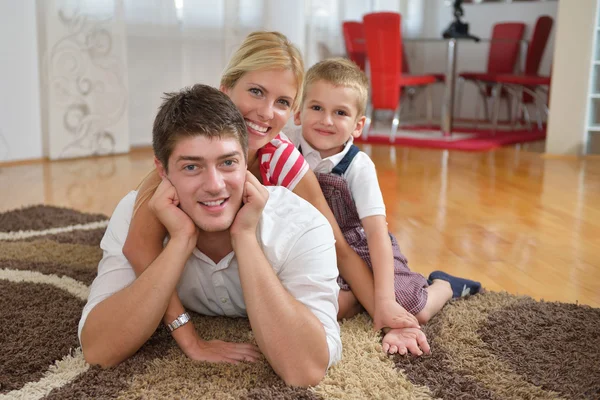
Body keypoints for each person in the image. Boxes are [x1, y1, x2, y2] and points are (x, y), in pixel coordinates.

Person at [123, 30, 421, 360]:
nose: (266, 113)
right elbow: (139, 246)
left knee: (365, 300)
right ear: (226, 90)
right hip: (221, 277)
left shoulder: (281, 158)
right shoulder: (187, 156)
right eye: (256, 92)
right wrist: (190, 339)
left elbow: (341, 248)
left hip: (270, 270)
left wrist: (384, 314)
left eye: (282, 102)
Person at [78, 84, 342, 387]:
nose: (215, 185)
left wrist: (244, 237)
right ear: (162, 171)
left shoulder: (300, 225)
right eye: (192, 166)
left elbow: (305, 369)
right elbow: (98, 349)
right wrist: (180, 242)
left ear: (246, 159)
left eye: (228, 163)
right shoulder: (134, 214)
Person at [289, 58, 482, 356]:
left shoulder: (358, 166)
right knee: (322, 307)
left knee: (412, 311)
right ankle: (356, 297)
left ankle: (444, 285)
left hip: (362, 248)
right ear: (298, 113)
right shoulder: (288, 151)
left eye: (340, 112)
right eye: (317, 108)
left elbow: (378, 235)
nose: (326, 120)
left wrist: (385, 300)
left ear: (358, 125)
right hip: (317, 249)